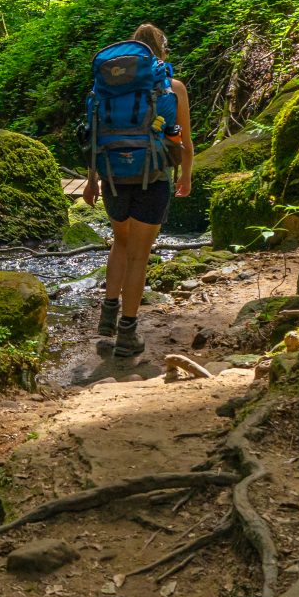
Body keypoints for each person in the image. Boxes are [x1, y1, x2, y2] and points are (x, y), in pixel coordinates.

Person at [82, 23, 193, 357]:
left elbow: (94, 133)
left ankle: (108, 311)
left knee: (121, 242)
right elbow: (181, 138)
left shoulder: (105, 89)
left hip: (112, 176)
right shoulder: (171, 88)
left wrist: (91, 180)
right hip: (153, 176)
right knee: (139, 256)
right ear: (161, 50)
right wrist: (186, 175)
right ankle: (127, 334)